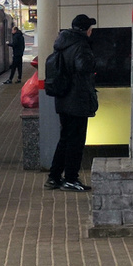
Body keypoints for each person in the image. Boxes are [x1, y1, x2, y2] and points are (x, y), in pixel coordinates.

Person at [46, 14, 98, 192]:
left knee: (65, 139)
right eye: (90, 28)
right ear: (86, 30)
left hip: (63, 98)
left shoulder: (62, 43)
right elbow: (83, 67)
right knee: (76, 141)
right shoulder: (81, 45)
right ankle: (70, 179)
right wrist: (93, 61)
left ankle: (54, 177)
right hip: (77, 99)